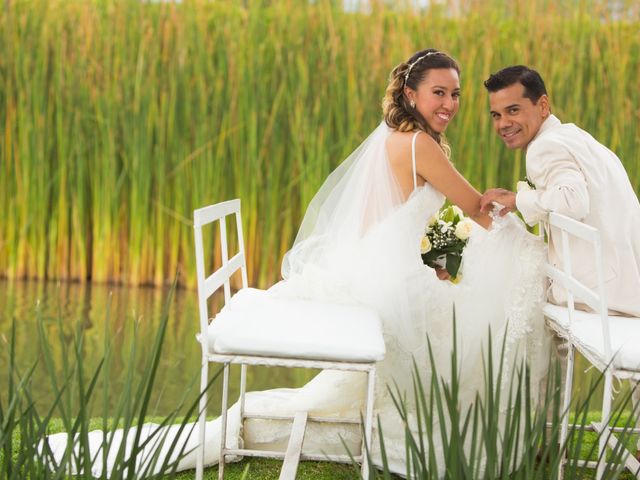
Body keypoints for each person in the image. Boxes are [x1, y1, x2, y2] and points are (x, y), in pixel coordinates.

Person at [42, 51, 549, 478]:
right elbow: (473, 206)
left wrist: (446, 259)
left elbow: (421, 219)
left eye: (456, 95)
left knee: (467, 290)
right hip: (394, 280)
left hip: (391, 267)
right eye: (439, 92)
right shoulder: (419, 143)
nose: (450, 104)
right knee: (500, 283)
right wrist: (523, 204)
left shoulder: (402, 140)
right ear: (412, 94)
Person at [479, 65, 640, 318]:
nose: (503, 124)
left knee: (503, 287)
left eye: (513, 110)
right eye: (496, 115)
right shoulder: (574, 135)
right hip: (627, 282)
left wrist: (517, 199)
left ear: (543, 106)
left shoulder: (544, 147)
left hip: (600, 291)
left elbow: (573, 200)